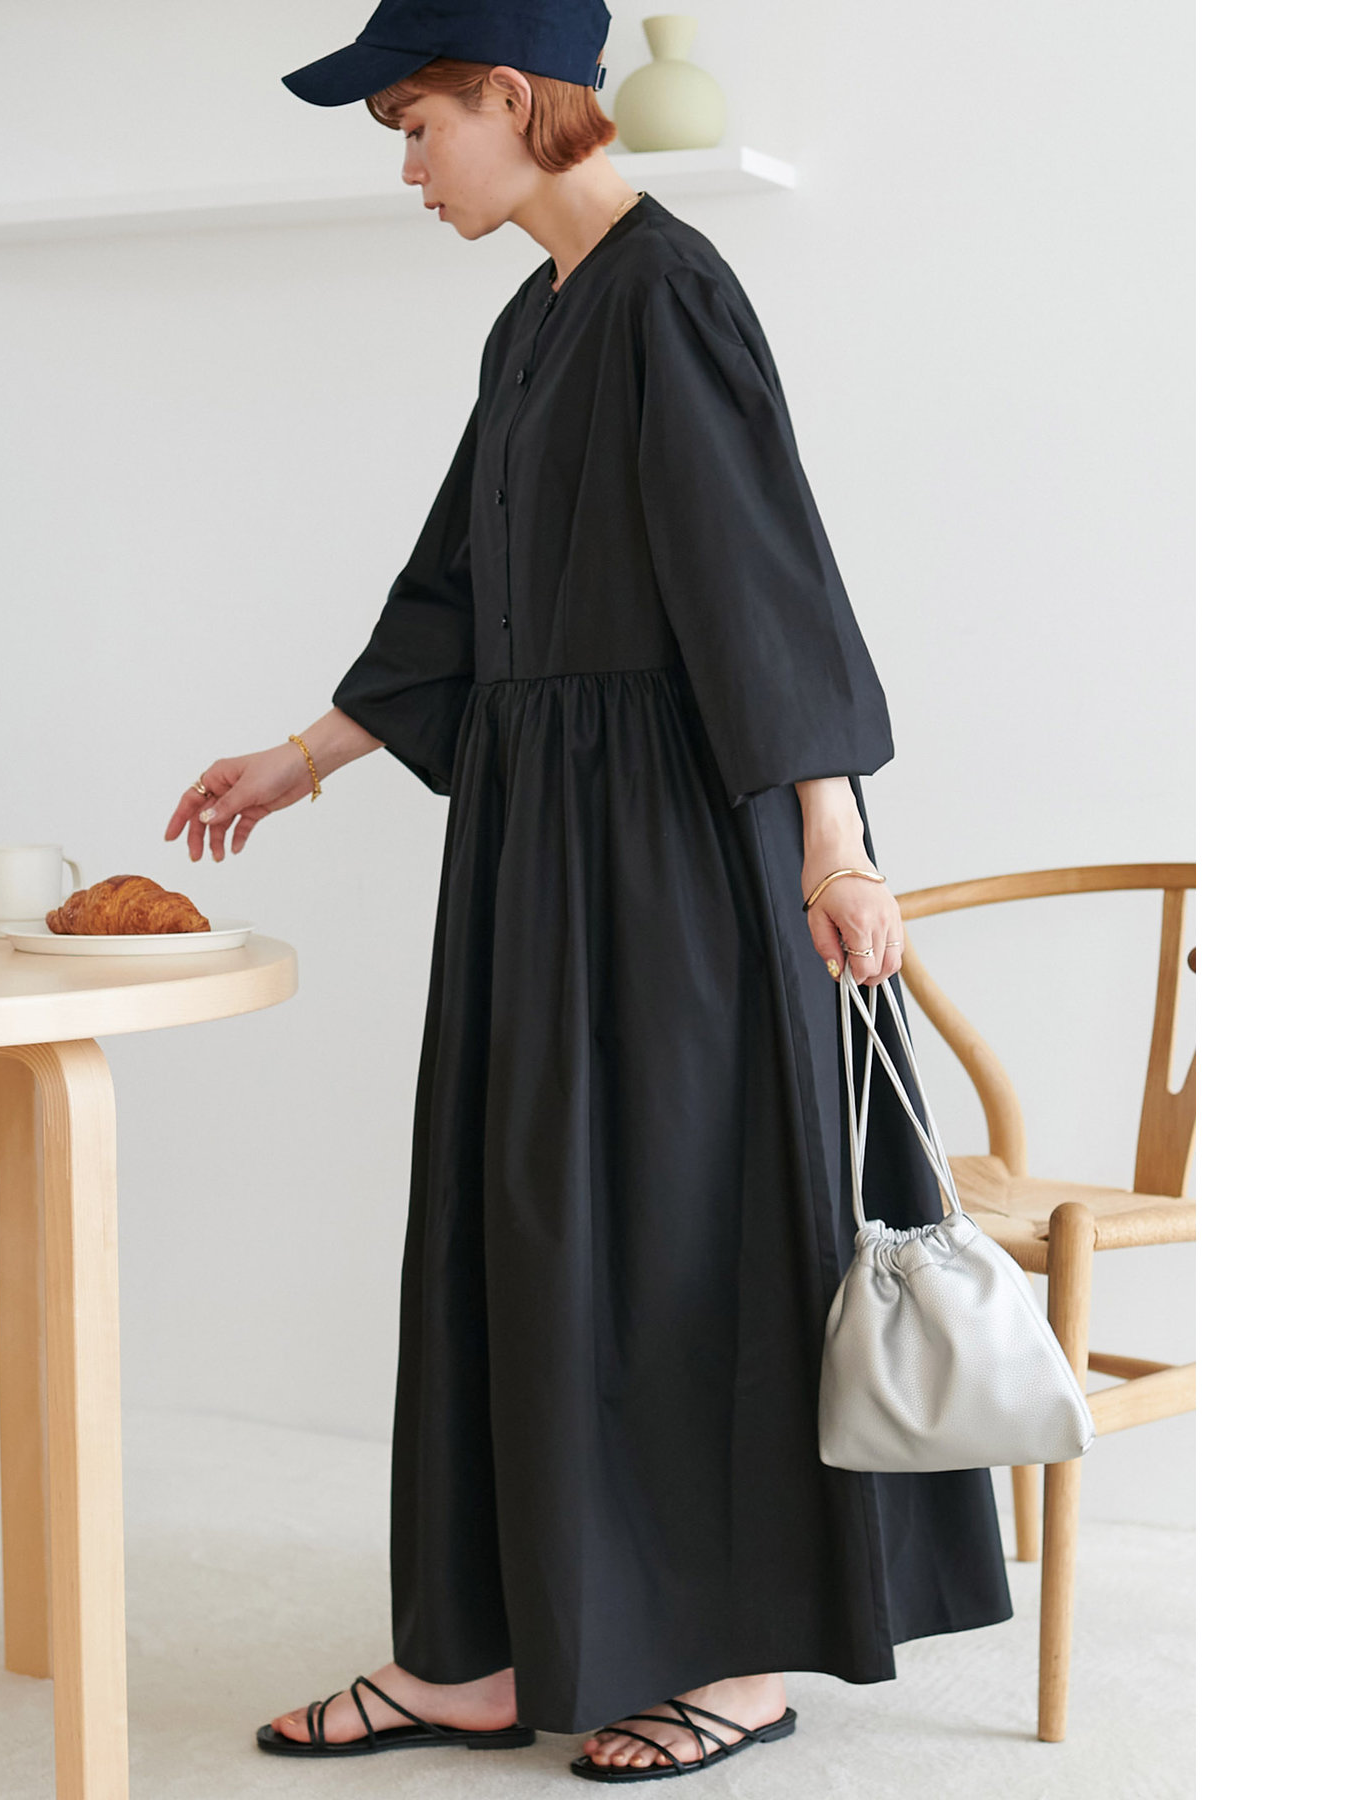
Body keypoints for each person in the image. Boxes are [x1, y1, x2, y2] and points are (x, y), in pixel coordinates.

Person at [163, 1, 1013, 1783]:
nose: (409, 168)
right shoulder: (535, 319)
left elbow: (766, 581)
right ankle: (478, 1655)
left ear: (507, 94)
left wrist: (837, 844)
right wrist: (299, 760)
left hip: (679, 851)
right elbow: (455, 597)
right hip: (538, 842)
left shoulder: (667, 294)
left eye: (416, 126)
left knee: (687, 1227)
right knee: (523, 1221)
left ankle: (742, 1662)